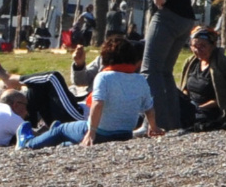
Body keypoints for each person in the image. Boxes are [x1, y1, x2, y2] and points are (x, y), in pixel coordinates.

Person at [21, 36, 160, 149]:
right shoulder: (140, 79)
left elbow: (97, 104)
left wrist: (91, 132)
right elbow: (149, 107)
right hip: (125, 133)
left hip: (101, 132)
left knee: (62, 129)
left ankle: (27, 144)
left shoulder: (105, 77)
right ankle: (63, 144)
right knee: (68, 136)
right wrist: (153, 127)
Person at [140, 0, 209, 132]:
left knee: (150, 70)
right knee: (165, 72)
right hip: (185, 17)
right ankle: (172, 124)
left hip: (166, 15)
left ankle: (154, 123)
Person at [178, 26, 226, 129]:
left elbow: (225, 99)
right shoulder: (191, 62)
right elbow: (185, 89)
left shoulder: (224, 65)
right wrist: (187, 103)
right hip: (191, 106)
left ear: (212, 45)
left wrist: (197, 108)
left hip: (209, 110)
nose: (198, 50)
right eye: (194, 46)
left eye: (202, 46)